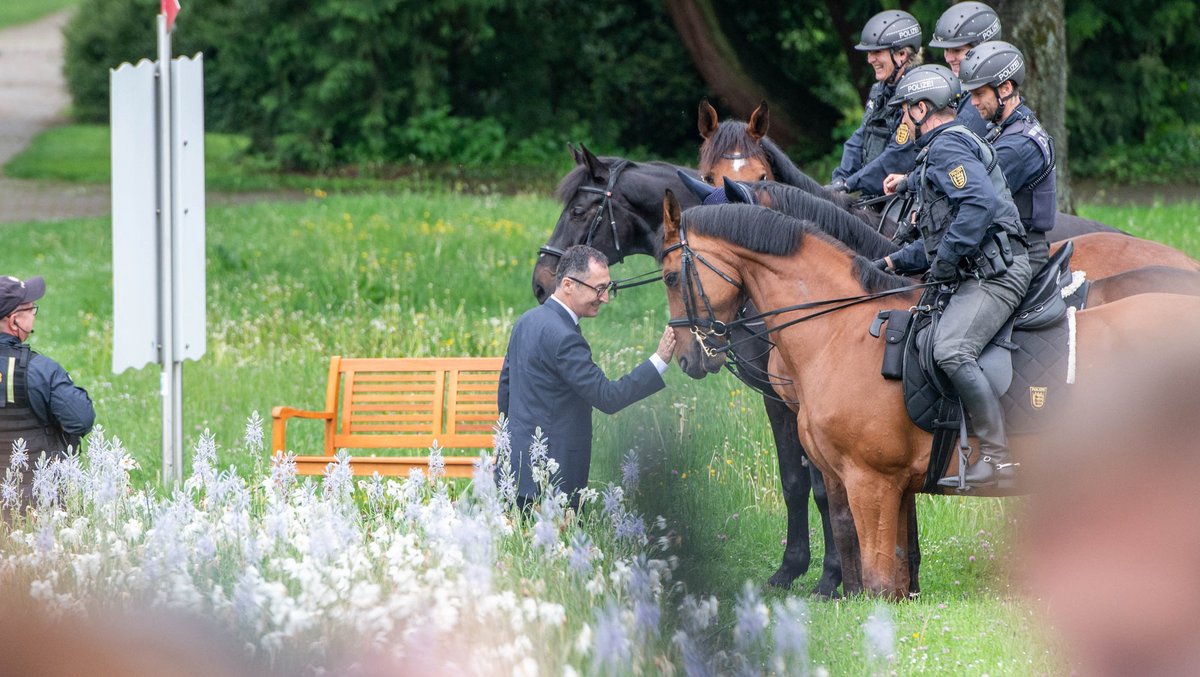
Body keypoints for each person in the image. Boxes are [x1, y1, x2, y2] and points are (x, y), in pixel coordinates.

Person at [874, 66, 1032, 489]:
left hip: (997, 273)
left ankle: (998, 460)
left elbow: (978, 205)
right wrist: (890, 264)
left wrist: (943, 264)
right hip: (979, 268)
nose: (903, 119)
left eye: (906, 111)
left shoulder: (947, 147)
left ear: (921, 109)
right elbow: (943, 232)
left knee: (950, 349)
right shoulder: (942, 149)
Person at [497, 245, 674, 508]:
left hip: (514, 469)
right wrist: (659, 360)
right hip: (553, 478)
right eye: (599, 289)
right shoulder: (565, 337)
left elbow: (505, 390)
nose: (605, 298)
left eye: (607, 288)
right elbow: (608, 397)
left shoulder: (525, 321)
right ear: (569, 284)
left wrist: (509, 446)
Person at [959, 41, 1056, 275]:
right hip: (1003, 246)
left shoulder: (1018, 146)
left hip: (1020, 254)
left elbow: (974, 196)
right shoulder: (1005, 129)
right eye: (971, 94)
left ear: (1005, 89)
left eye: (979, 93)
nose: (973, 102)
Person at [0, 275, 96, 492]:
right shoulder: (42, 371)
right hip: (35, 498)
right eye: (31, 309)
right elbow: (81, 420)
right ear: (14, 321)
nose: (34, 315)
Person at [830, 10, 922, 199]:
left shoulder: (917, 93)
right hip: (873, 194)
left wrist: (849, 184)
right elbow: (860, 137)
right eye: (869, 52)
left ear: (902, 54)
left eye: (877, 52)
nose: (870, 59)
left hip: (903, 197)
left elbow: (897, 156)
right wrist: (840, 178)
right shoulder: (879, 90)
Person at [928, 1, 1002, 138]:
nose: (948, 58)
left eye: (957, 50)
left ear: (983, 49)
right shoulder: (956, 91)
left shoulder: (982, 105)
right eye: (946, 50)